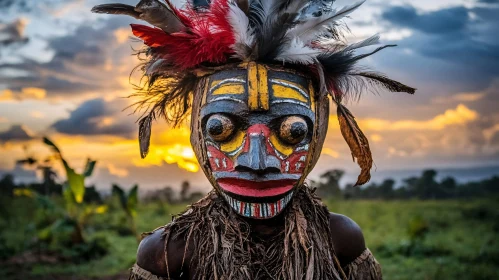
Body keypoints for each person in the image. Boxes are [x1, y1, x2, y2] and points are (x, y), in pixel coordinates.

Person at [92, 0, 415, 279]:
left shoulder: (341, 241)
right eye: (220, 129)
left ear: (316, 134)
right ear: (197, 134)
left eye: (292, 132)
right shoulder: (166, 253)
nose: (257, 161)